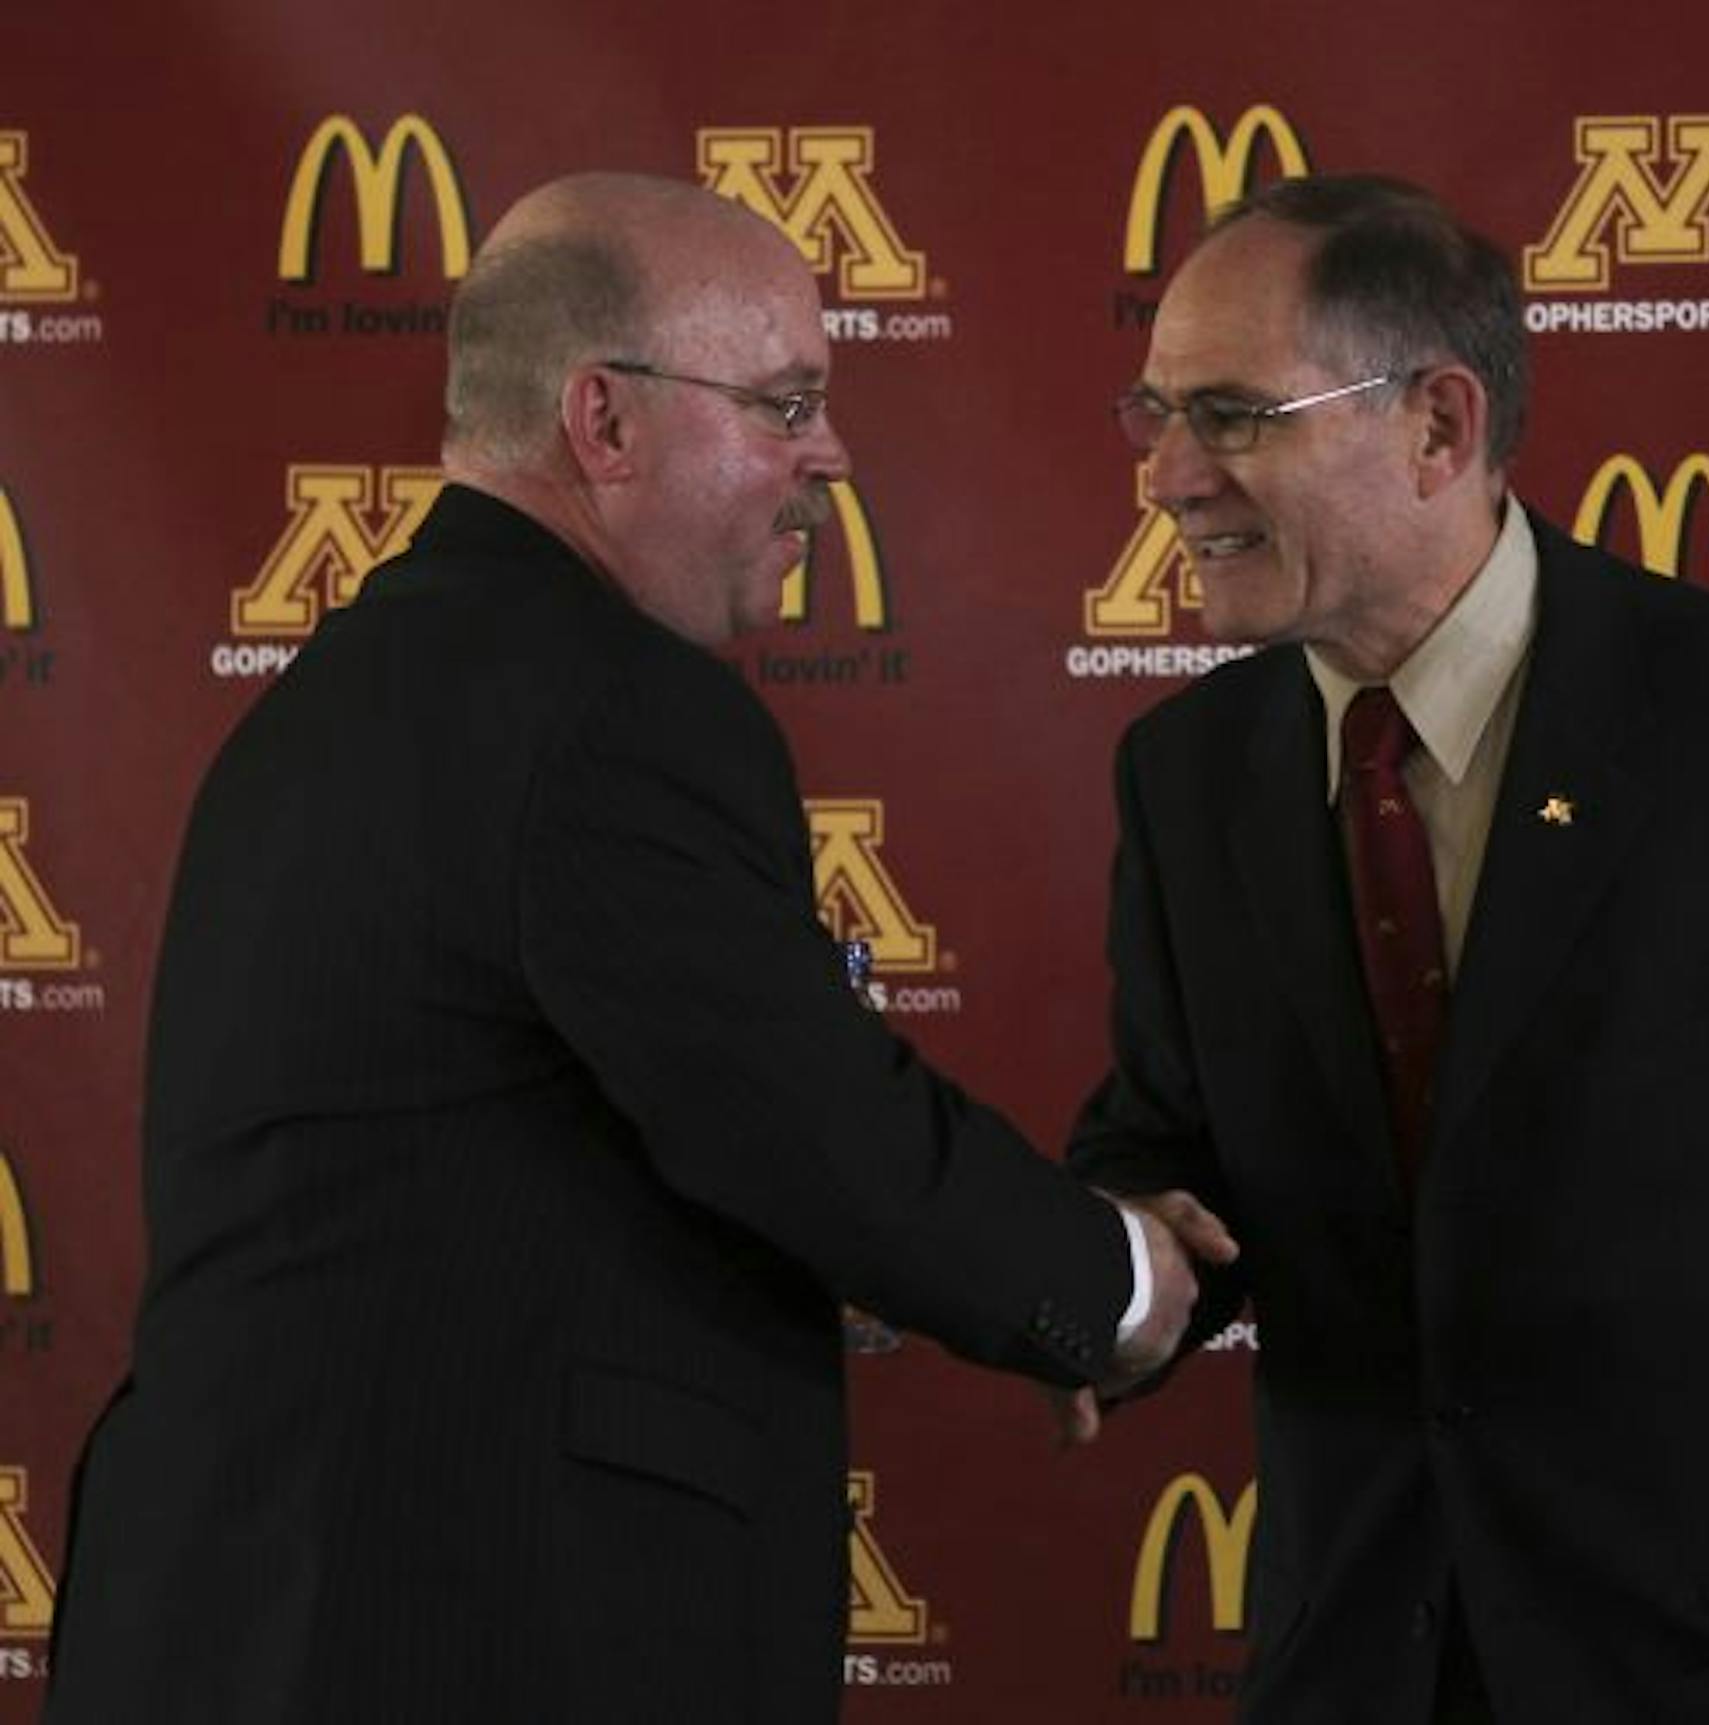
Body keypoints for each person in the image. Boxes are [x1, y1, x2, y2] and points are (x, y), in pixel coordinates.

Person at [42, 173, 1229, 1725]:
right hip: (457, 1636)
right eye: (785, 402)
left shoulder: (347, 692)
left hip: (251, 1620)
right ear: (602, 420)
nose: (831, 455)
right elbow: (811, 1125)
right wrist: (1118, 1280)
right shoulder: (606, 708)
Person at [1059, 174, 1709, 1723]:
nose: (1165, 478)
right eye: (1154, 413)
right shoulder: (1185, 772)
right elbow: (1172, 1153)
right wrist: (1085, 1279)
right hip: (1357, 1671)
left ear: (1438, 426)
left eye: (1230, 416)